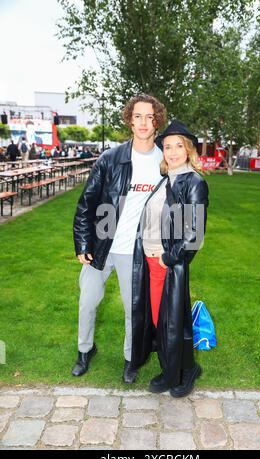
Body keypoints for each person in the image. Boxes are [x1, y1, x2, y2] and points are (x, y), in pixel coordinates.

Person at [72, 94, 167, 383]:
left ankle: (130, 358)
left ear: (157, 121)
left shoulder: (166, 160)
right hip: (102, 242)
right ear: (129, 119)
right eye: (137, 116)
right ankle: (85, 350)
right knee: (88, 302)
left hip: (136, 251)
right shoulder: (111, 158)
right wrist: (83, 244)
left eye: (149, 116)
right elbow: (86, 203)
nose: (143, 122)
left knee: (133, 309)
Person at [130, 120, 209, 398]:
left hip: (168, 263)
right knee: (160, 320)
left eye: (178, 146)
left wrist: (168, 258)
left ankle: (182, 372)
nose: (172, 152)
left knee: (172, 322)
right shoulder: (165, 180)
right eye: (167, 146)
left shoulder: (194, 183)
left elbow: (194, 235)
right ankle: (175, 368)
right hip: (150, 261)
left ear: (188, 149)